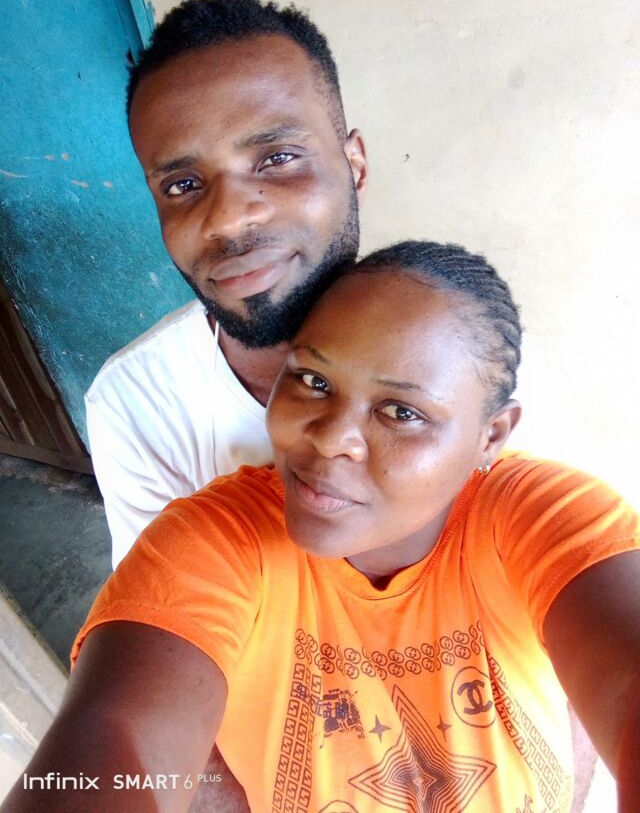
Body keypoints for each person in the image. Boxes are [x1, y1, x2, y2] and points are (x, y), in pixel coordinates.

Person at [6, 241, 639, 812]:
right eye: (312, 380)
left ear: (491, 435)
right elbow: (119, 741)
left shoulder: (537, 514)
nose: (330, 439)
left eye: (401, 412)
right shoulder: (215, 541)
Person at [85, 0, 367, 569]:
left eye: (278, 158)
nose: (229, 218)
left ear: (354, 167)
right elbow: (164, 602)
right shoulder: (136, 403)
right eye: (183, 185)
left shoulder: (469, 355)